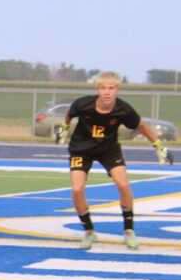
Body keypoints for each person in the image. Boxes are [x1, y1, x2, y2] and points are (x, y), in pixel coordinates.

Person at [55, 71, 174, 250]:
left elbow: (141, 125)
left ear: (117, 90)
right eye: (103, 88)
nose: (107, 92)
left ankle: (129, 230)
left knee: (123, 185)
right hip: (81, 149)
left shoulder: (123, 109)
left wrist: (158, 145)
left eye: (111, 88)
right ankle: (88, 231)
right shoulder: (83, 104)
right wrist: (64, 128)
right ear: (98, 90)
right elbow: (69, 112)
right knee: (77, 189)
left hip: (108, 150)